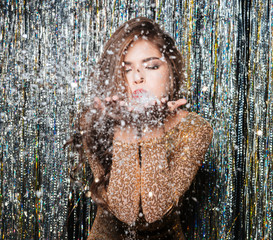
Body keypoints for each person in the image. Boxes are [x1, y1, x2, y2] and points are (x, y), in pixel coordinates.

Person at [67, 17, 213, 239]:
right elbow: (125, 214)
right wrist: (125, 128)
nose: (138, 78)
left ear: (171, 70)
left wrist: (150, 127)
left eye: (152, 66)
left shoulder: (194, 128)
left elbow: (153, 215)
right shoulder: (93, 121)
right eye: (127, 70)